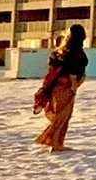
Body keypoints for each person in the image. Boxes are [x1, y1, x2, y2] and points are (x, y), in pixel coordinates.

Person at [33, 23, 87, 152]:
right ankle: (54, 143)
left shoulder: (62, 51)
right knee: (62, 116)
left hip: (61, 86)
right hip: (67, 86)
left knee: (63, 116)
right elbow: (73, 70)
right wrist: (74, 85)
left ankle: (57, 142)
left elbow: (52, 68)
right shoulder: (74, 53)